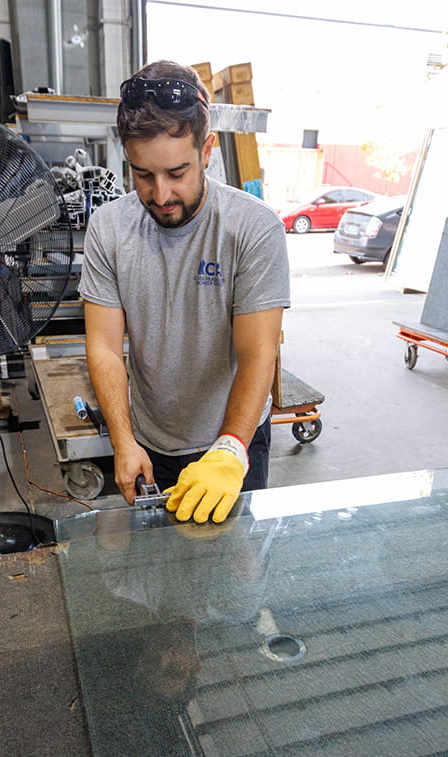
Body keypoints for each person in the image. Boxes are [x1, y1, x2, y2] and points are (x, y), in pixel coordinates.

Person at [79, 60, 290, 524]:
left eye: (177, 172)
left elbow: (259, 354)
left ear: (207, 149)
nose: (160, 194)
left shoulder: (253, 229)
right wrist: (123, 440)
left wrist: (230, 451)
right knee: (161, 580)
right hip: (150, 442)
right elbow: (104, 347)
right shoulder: (109, 228)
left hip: (232, 443)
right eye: (142, 175)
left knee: (233, 578)